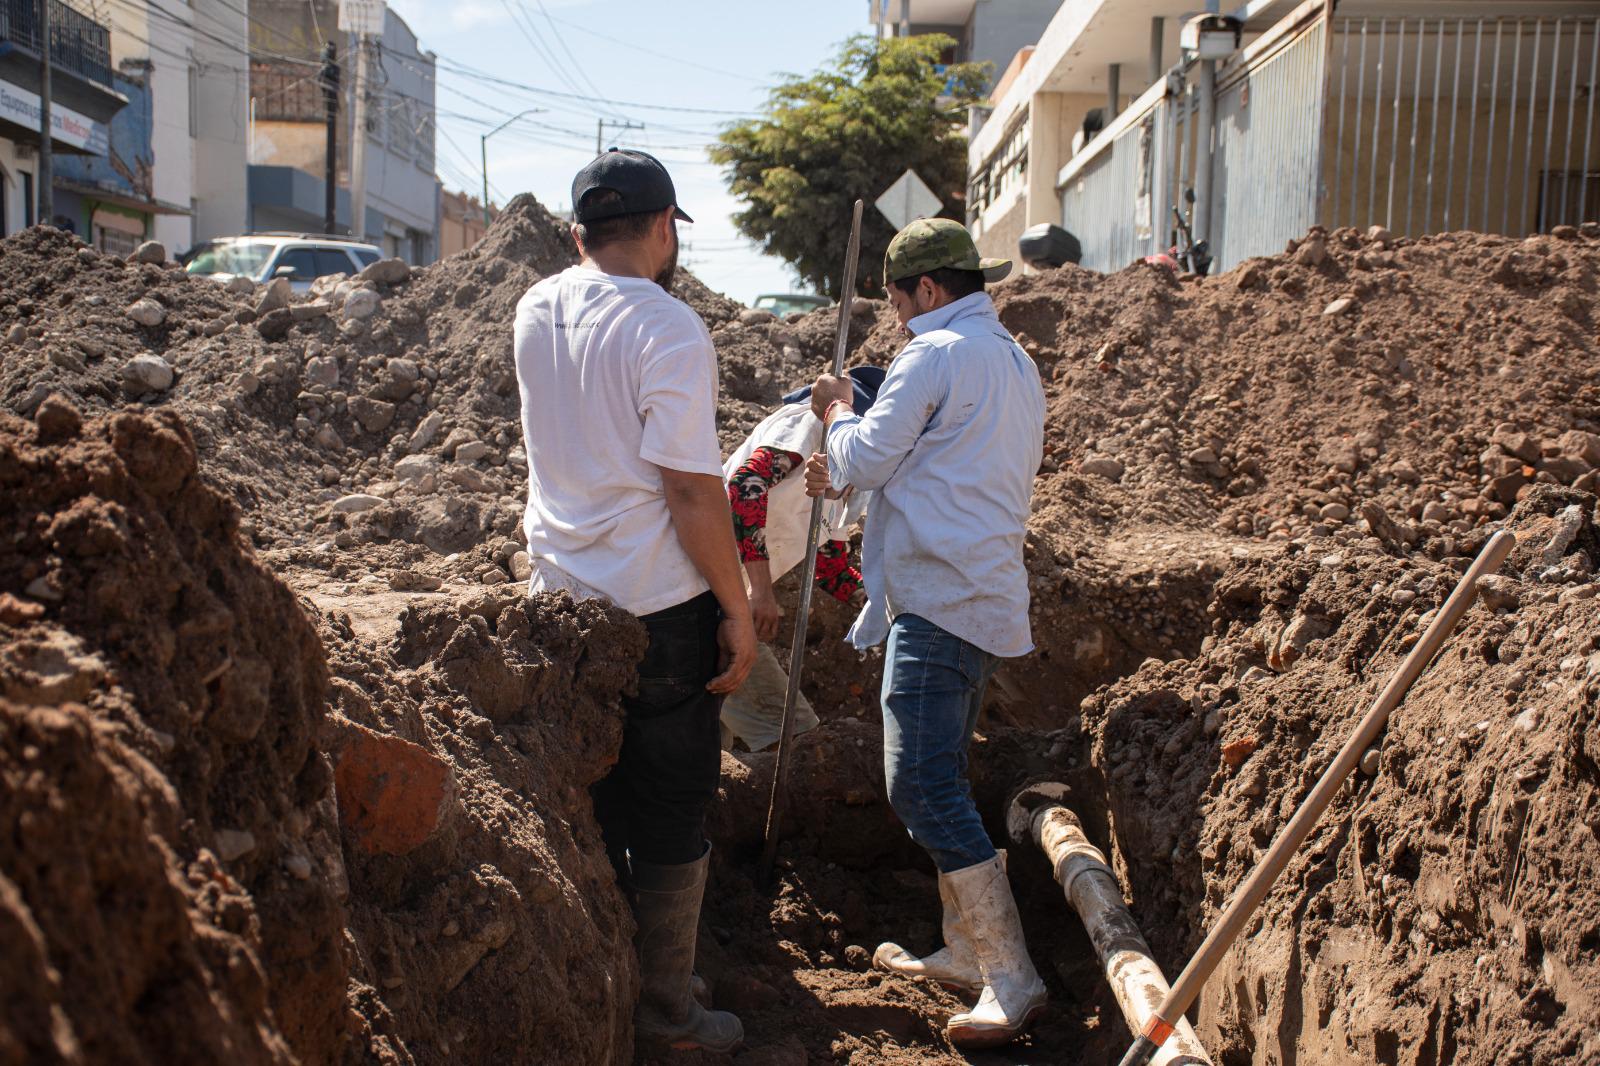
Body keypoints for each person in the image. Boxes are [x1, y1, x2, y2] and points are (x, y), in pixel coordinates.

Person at [512, 147, 756, 1054]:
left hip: (559, 606)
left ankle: (621, 978)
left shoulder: (536, 307)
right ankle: (668, 1019)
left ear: (579, 233)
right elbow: (692, 491)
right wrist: (734, 603)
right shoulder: (668, 327)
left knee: (597, 795)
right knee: (669, 806)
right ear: (663, 228)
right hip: (657, 609)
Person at [803, 218, 1048, 1048]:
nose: (897, 317)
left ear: (929, 291)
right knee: (942, 768)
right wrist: (852, 452)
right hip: (979, 592)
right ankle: (962, 949)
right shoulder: (1013, 361)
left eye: (900, 300)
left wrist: (837, 414)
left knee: (920, 784)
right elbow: (940, 464)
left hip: (938, 596)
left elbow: (866, 459)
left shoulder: (934, 354)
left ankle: (1009, 975)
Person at [720, 367, 883, 751]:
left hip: (722, 596)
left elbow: (828, 561)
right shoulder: (809, 427)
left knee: (710, 754)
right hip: (700, 587)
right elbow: (745, 486)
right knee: (794, 738)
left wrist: (886, 608)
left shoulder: (847, 476)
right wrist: (760, 590)